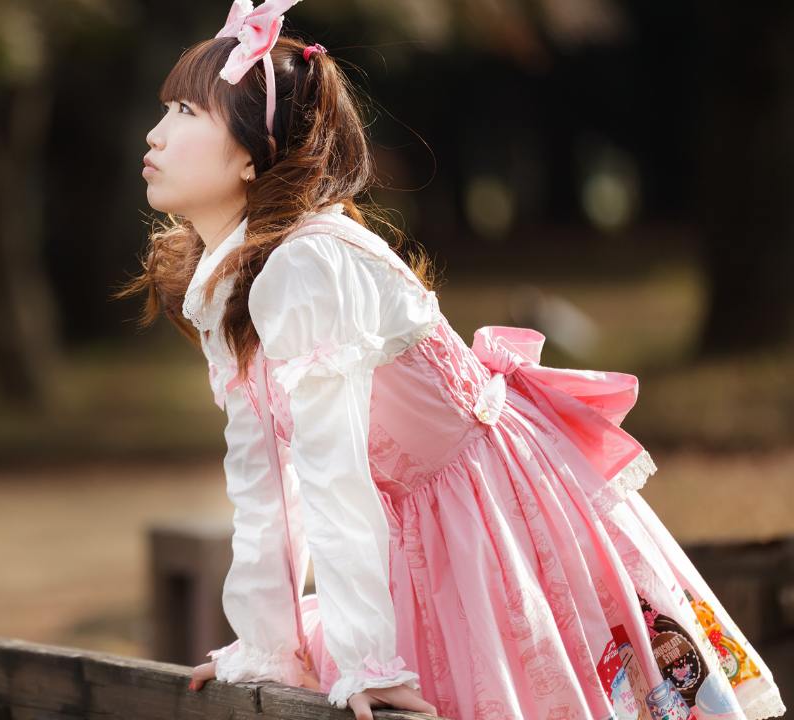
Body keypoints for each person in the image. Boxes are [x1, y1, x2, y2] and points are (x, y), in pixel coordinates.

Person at [119, 1, 788, 718]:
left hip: (486, 516)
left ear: (254, 154)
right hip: (420, 529)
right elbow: (264, 482)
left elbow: (332, 476)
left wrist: (367, 659)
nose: (155, 136)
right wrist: (264, 645)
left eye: (187, 113)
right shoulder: (236, 278)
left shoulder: (309, 265)